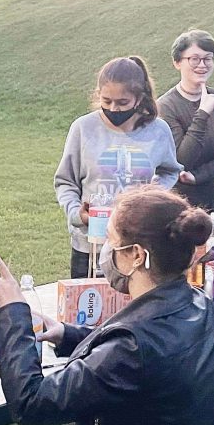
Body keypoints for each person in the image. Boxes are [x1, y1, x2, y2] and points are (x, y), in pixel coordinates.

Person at [0, 186, 214, 425]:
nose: (106, 251)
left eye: (111, 240)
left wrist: (12, 311)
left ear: (137, 255)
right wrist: (67, 334)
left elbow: (32, 402)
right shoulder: (196, 303)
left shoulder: (132, 349)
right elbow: (139, 358)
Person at [55, 56, 183, 279]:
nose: (113, 108)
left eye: (122, 103)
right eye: (106, 101)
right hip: (91, 244)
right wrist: (76, 213)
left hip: (138, 245)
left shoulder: (158, 130)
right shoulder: (83, 128)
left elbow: (170, 170)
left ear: (139, 98)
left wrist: (155, 192)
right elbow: (65, 181)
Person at [157, 30, 214, 228]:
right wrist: (202, 114)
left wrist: (199, 176)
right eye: (194, 59)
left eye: (208, 59)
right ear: (177, 62)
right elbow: (182, 160)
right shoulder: (165, 106)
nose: (202, 65)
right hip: (178, 205)